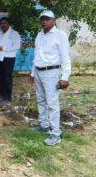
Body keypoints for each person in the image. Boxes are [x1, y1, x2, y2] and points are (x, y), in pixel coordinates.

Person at [28, 10, 71, 146]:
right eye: (42, 19)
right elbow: (37, 56)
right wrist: (32, 73)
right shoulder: (39, 35)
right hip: (39, 72)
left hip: (51, 73)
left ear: (54, 20)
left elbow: (65, 57)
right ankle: (43, 125)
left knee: (52, 103)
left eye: (47, 19)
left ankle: (55, 133)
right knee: (40, 99)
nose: (44, 22)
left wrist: (65, 77)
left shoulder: (60, 35)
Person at [0, 17, 21, 106]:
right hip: (0, 57)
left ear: (9, 24)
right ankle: (2, 97)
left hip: (9, 58)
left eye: (4, 23)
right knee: (1, 78)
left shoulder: (14, 34)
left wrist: (2, 48)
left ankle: (8, 98)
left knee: (7, 78)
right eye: (1, 23)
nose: (3, 25)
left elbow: (17, 46)